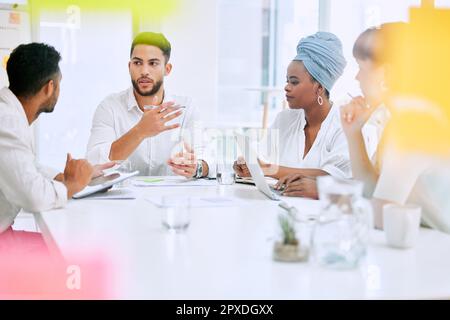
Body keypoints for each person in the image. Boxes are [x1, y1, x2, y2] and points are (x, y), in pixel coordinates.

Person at [341, 22, 450, 233]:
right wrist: (354, 134)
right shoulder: (401, 118)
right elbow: (374, 192)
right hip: (424, 244)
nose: (357, 77)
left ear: (386, 74)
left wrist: (333, 201)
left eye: (361, 68)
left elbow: (382, 216)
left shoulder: (416, 123)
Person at [0, 43, 112, 246]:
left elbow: (25, 167)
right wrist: (73, 185)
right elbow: (31, 196)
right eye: (59, 84)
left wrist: (64, 177)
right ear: (49, 87)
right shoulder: (7, 120)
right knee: (72, 249)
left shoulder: (9, 114)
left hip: (5, 234)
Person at [276, 26, 392, 198]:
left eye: (362, 68)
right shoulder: (389, 126)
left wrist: (322, 189)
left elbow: (382, 202)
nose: (357, 77)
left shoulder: (408, 128)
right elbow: (370, 190)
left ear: (319, 88)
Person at [86, 32, 211, 178]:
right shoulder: (109, 107)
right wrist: (140, 131)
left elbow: (207, 158)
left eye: (153, 63)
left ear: (167, 69)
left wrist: (197, 168)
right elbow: (93, 163)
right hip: (122, 199)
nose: (144, 71)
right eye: (137, 63)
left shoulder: (186, 107)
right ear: (129, 66)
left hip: (171, 198)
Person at [234, 32, 351, 184]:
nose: (287, 87)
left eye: (294, 82)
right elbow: (262, 157)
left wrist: (268, 168)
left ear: (319, 88)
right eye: (287, 81)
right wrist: (248, 165)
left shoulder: (345, 126)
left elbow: (335, 176)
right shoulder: (285, 119)